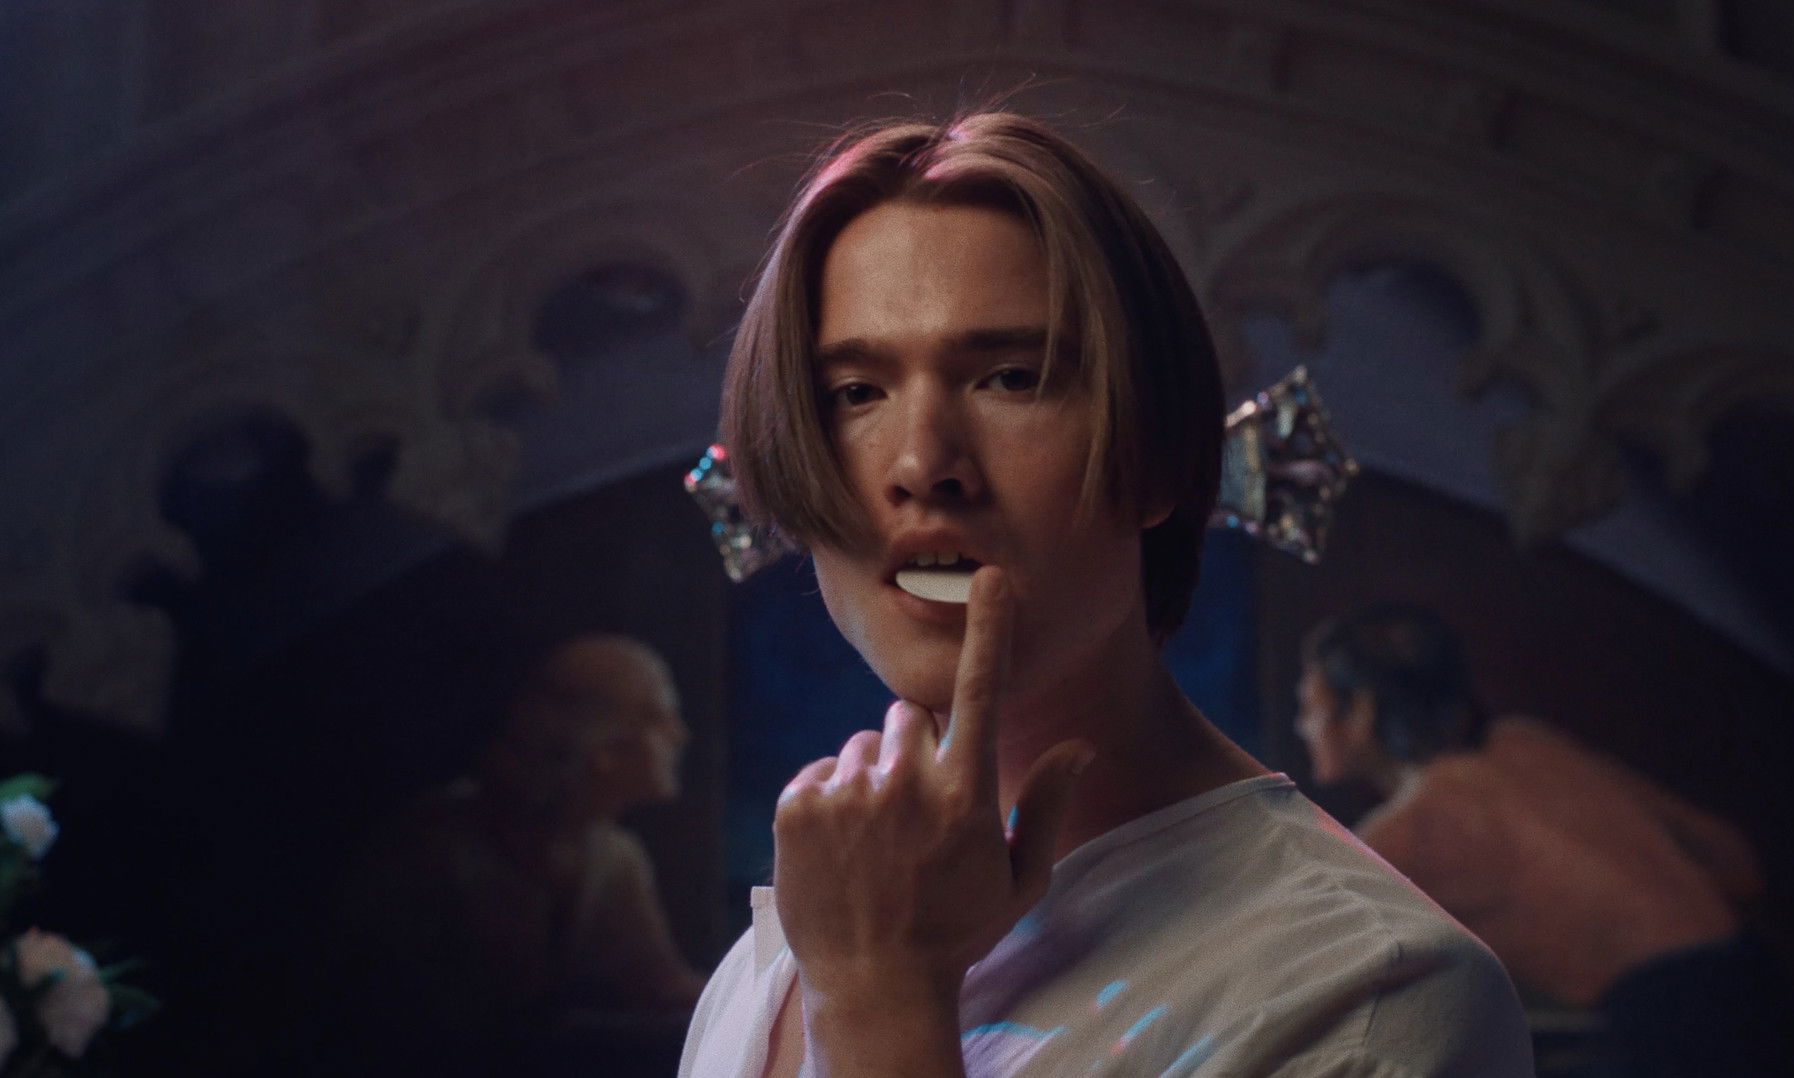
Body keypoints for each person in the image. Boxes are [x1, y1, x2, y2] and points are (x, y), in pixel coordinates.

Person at [680, 111, 1531, 1077]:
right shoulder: (778, 959)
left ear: (1156, 455)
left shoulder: (1372, 996)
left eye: (1012, 378)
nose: (922, 465)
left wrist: (881, 1008)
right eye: (855, 393)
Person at [1295, 603, 1780, 1077]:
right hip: (1762, 987)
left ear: (1361, 710)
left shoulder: (1404, 836)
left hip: (1672, 1030)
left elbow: (1298, 988)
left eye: (1308, 706)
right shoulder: (1526, 742)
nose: (1302, 725)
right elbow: (1735, 860)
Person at [329, 634, 704, 1072]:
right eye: (656, 717)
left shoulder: (614, 856)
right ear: (603, 744)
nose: (679, 733)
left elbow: (661, 988)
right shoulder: (442, 847)